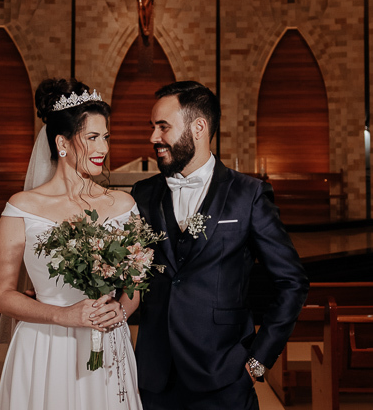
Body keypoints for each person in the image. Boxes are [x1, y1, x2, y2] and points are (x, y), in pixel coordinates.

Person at [131, 81, 310, 410]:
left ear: (198, 127)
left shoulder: (248, 194)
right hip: (155, 375)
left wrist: (258, 360)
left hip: (224, 373)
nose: (153, 137)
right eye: (152, 127)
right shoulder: (143, 194)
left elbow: (292, 282)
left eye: (163, 127)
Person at [0, 78, 143, 410]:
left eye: (106, 137)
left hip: (107, 343)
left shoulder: (124, 205)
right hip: (45, 344)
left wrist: (120, 312)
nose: (103, 149)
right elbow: (2, 296)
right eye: (92, 138)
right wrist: (63, 315)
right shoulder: (21, 208)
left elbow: (134, 288)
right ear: (62, 143)